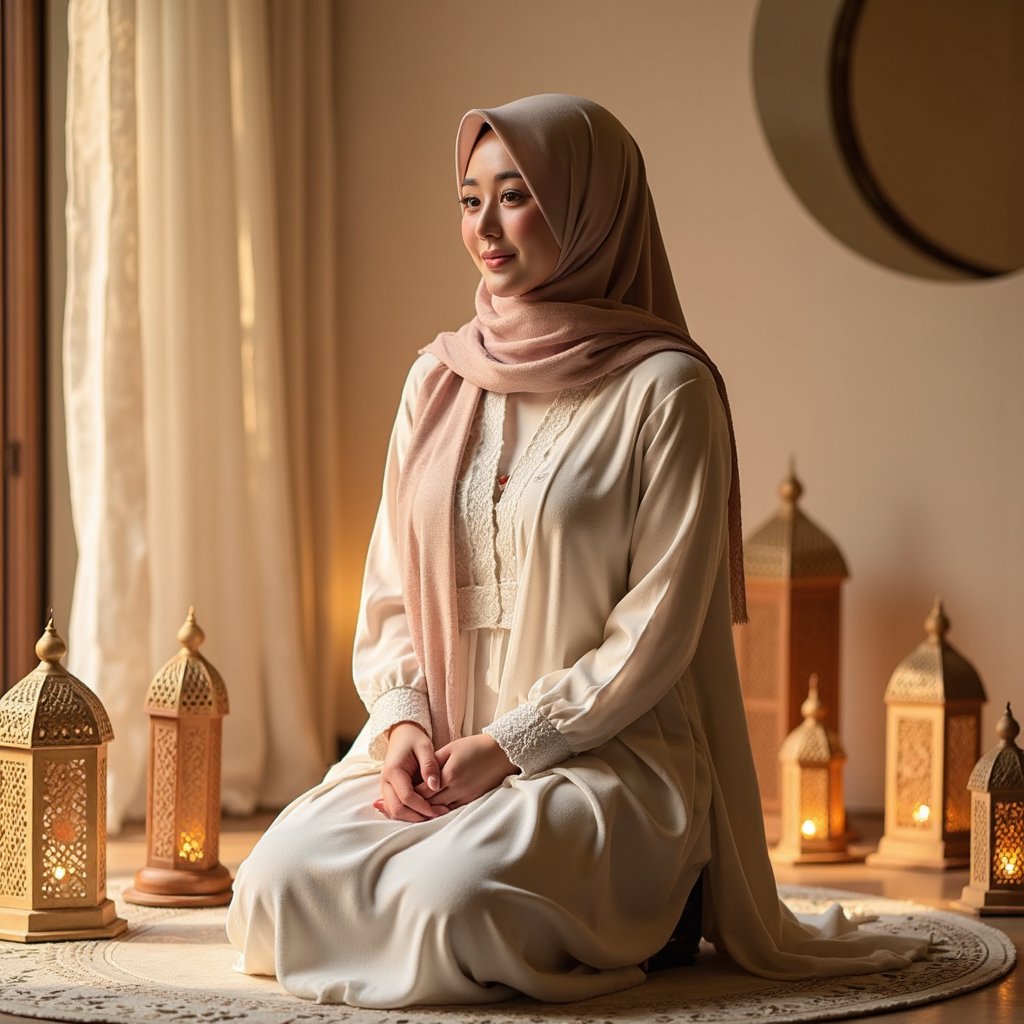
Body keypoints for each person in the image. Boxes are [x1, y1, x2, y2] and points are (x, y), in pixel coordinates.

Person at [226, 94, 927, 1008]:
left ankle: (664, 905)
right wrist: (404, 726)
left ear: (592, 208)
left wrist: (510, 745)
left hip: (604, 760)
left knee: (455, 908)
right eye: (469, 199)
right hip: (434, 748)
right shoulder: (436, 379)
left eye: (516, 196)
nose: (487, 227)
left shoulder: (668, 391)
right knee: (274, 889)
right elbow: (389, 588)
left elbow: (656, 633)